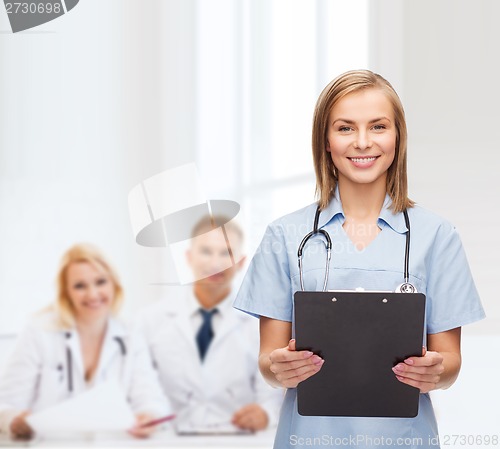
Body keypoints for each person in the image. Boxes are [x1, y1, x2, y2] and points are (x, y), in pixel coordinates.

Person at [233, 70, 485, 448]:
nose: (363, 142)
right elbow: (269, 363)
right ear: (326, 140)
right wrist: (281, 367)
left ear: (397, 137)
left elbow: (450, 364)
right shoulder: (285, 235)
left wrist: (435, 372)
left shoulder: (437, 236)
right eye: (346, 128)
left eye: (378, 126)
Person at [0, 243, 171, 440]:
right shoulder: (39, 332)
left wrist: (148, 416)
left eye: (100, 282)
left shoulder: (130, 332)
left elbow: (151, 398)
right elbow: (5, 404)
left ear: (114, 284)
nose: (93, 294)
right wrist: (15, 421)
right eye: (80, 286)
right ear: (66, 293)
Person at [137, 216, 282, 433]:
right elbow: (143, 385)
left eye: (226, 253)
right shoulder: (150, 320)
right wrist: (149, 414)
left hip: (236, 441)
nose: (216, 263)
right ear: (189, 257)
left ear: (241, 262)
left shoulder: (261, 323)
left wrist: (265, 414)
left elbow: (273, 393)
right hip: (170, 440)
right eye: (206, 251)